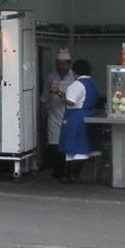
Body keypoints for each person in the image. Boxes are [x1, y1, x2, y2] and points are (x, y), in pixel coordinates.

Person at [58, 58, 99, 184]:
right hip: (87, 114)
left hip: (75, 117)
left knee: (74, 148)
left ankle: (71, 176)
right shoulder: (92, 83)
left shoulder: (77, 84)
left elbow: (71, 101)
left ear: (75, 72)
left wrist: (61, 96)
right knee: (82, 146)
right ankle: (73, 175)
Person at [42, 48, 76, 179]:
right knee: (54, 145)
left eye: (63, 64)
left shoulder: (74, 78)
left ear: (69, 64)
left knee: (68, 146)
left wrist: (58, 92)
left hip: (69, 116)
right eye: (58, 63)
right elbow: (44, 97)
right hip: (54, 115)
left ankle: (68, 171)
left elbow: (72, 100)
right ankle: (58, 171)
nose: (60, 67)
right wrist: (43, 110)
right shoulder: (51, 77)